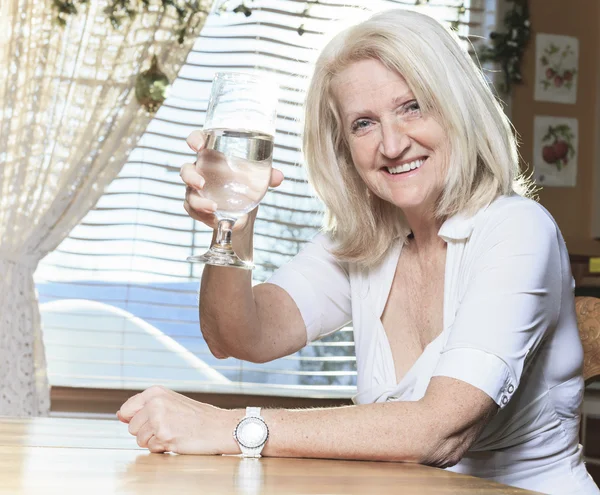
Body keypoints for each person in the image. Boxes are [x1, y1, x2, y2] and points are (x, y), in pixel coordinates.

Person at [117, 9, 600, 494]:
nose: (391, 144)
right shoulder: (369, 240)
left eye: (412, 106)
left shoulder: (516, 229)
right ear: (343, 146)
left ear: (458, 108)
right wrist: (233, 225)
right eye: (364, 123)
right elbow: (239, 338)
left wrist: (230, 428)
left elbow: (439, 433)